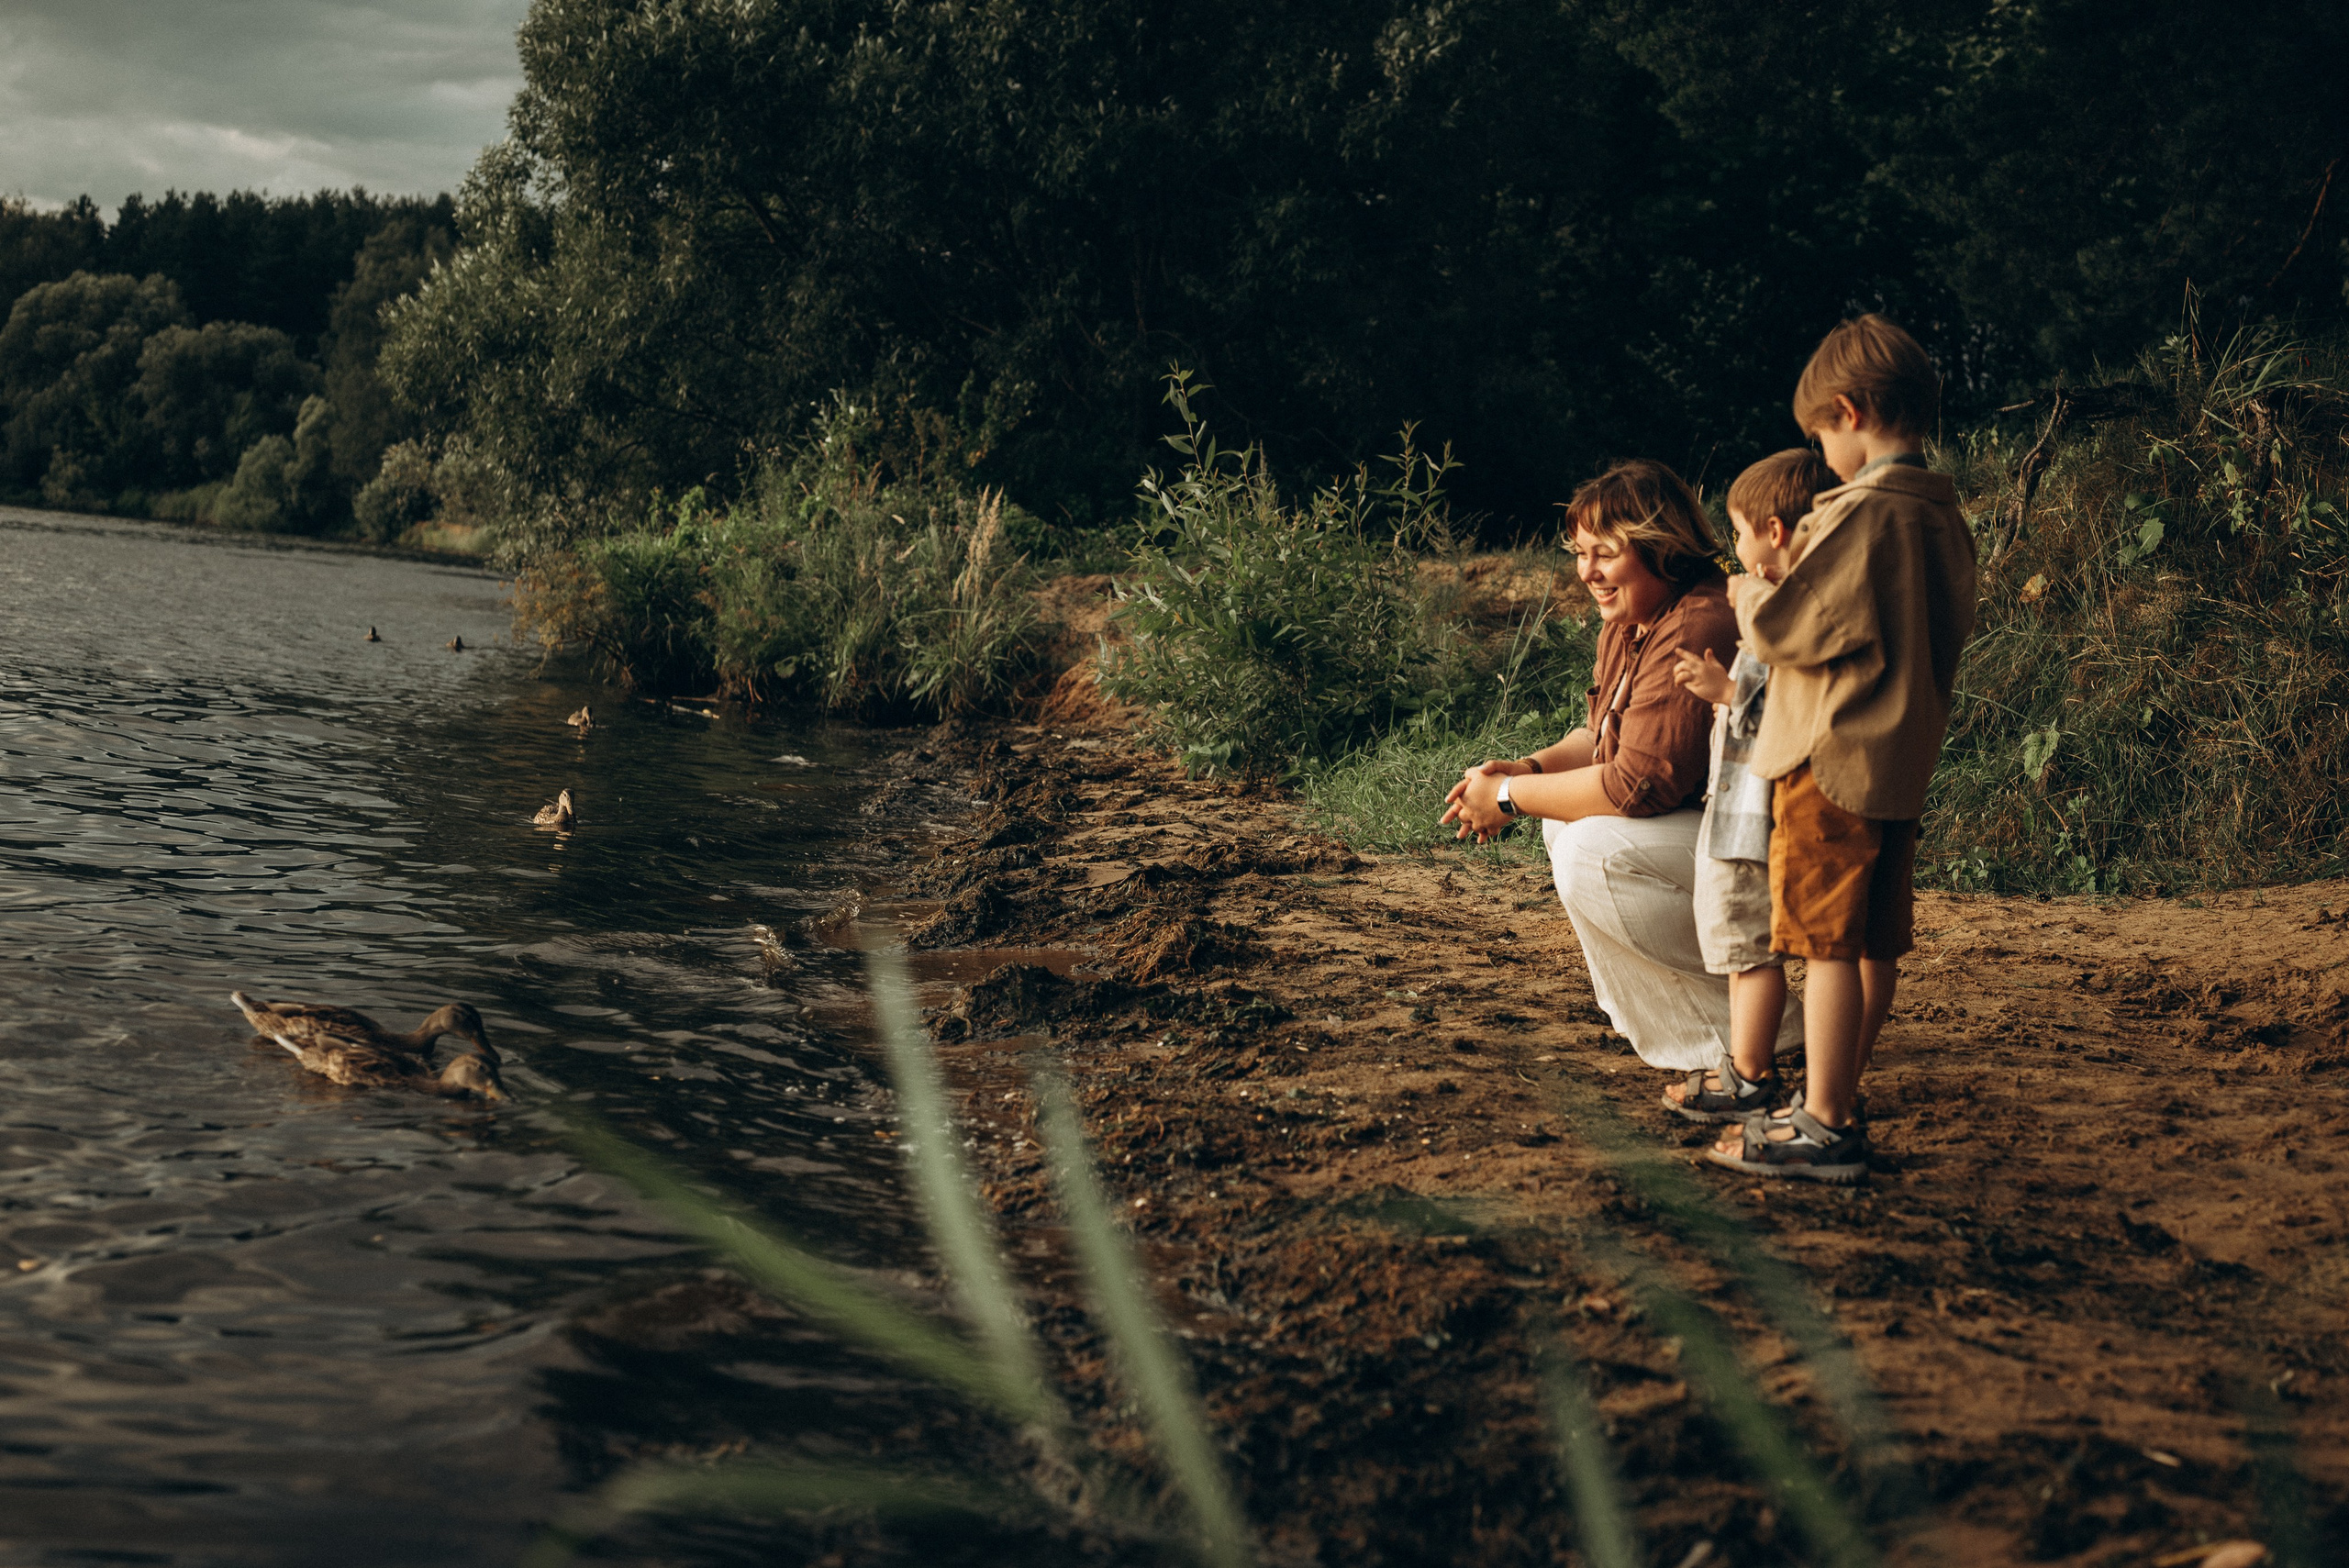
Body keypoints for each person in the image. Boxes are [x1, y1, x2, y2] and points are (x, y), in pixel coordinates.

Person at [1707, 314, 1978, 1184]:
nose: (1822, 453)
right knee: (1872, 943)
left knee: (1823, 945)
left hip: (1832, 762)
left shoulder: (1860, 517)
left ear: (1851, 413)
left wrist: (1750, 596)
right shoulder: (1942, 516)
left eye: (1821, 434)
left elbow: (1792, 628)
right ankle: (1837, 1094)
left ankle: (1823, 1121)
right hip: (1899, 762)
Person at [1442, 460, 1802, 1075]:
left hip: (1775, 839)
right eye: (1580, 553)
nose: (1587, 571)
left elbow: (1635, 784)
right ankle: (1668, 1018)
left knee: (1590, 850)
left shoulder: (1697, 621)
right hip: (1714, 827)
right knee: (1565, 826)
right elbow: (1600, 736)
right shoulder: (1636, 615)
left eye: (1604, 553)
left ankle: (1751, 1032)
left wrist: (1506, 796)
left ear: (1659, 548)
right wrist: (1526, 770)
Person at [1662, 448, 1839, 1121]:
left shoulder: (1782, 614)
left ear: (1773, 531)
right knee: (1743, 949)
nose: (1732, 548)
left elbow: (1787, 708)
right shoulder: (1805, 605)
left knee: (1745, 949)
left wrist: (1725, 690)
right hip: (1751, 809)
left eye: (1737, 530)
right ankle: (1748, 1065)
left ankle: (1749, 1070)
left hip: (1748, 818)